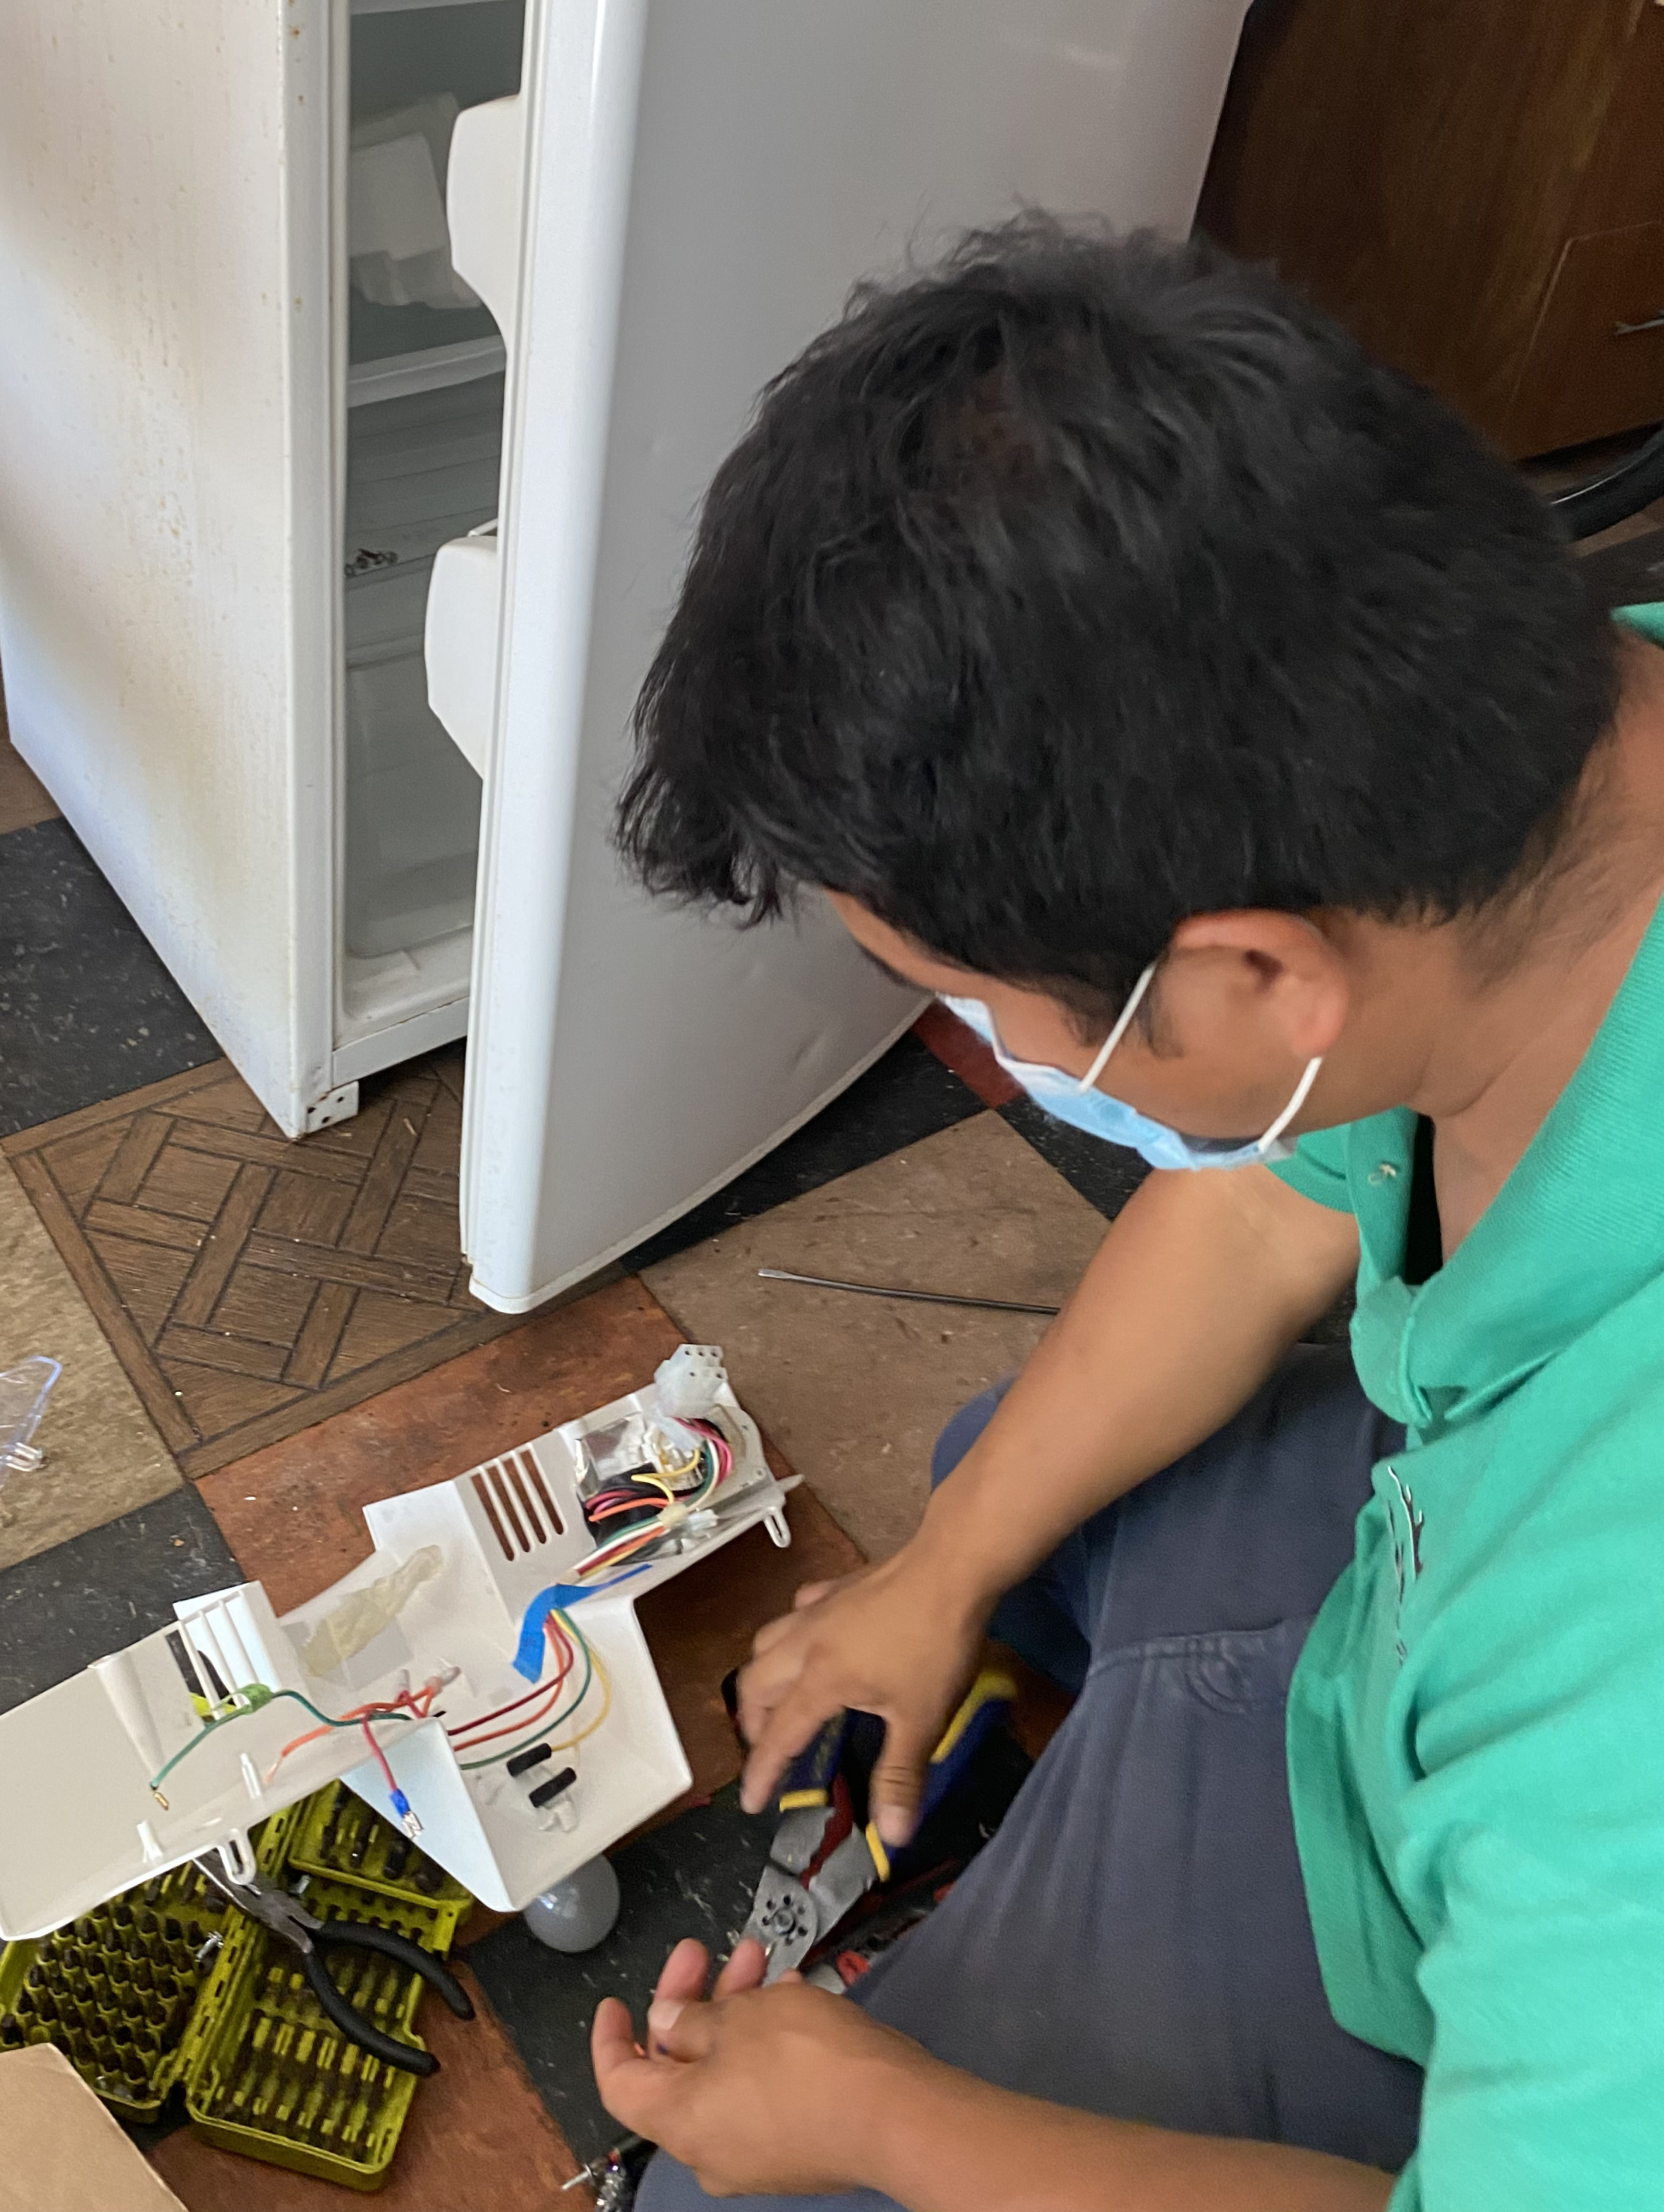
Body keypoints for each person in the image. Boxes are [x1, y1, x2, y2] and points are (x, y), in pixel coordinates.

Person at [593, 222, 1664, 2211]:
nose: (991, 1044)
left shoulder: (1614, 1698)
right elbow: (1276, 1209)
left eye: (984, 1002)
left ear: (1262, 980)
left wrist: (885, 2127)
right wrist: (941, 1570)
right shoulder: (1579, 768)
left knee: (718, 2201)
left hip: (1505, 1917)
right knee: (1007, 1477)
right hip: (1434, 1640)